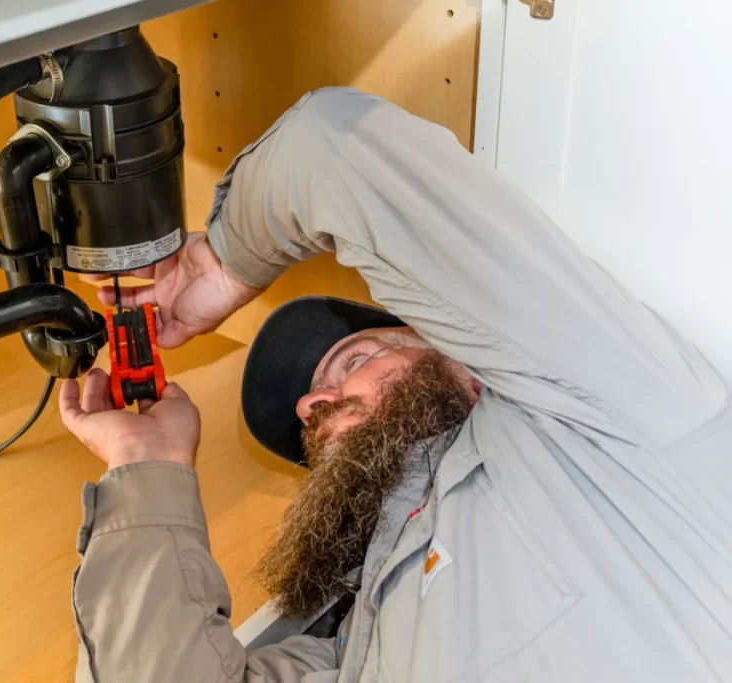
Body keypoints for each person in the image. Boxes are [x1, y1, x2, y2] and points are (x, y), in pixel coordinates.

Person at [58, 88, 732, 683]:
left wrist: (225, 267)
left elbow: (331, 151)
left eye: (353, 359)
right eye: (308, 423)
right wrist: (148, 468)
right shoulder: (355, 653)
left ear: (463, 364)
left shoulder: (592, 414)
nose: (308, 404)